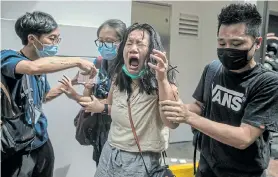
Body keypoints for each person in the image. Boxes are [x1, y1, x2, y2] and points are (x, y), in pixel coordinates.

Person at [160, 3, 278, 177]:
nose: (227, 49)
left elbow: (244, 138)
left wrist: (188, 117)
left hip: (244, 173)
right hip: (207, 167)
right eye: (222, 42)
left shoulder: (267, 82)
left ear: (257, 43)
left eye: (237, 43)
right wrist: (179, 108)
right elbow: (201, 106)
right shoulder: (213, 69)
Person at [60, 23, 179, 177]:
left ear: (151, 51)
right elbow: (110, 106)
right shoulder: (113, 74)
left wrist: (162, 80)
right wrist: (81, 96)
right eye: (129, 43)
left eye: (140, 43)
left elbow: (172, 123)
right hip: (110, 150)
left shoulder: (162, 82)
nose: (133, 48)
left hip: (140, 158)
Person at [1, 11, 96, 177]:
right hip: (18, 146)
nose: (56, 43)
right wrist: (78, 60)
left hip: (41, 140)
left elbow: (45, 96)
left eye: (58, 39)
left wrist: (71, 84)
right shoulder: (8, 58)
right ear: (32, 39)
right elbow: (32, 68)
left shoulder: (40, 66)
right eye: (52, 39)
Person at [67, 19, 127, 166]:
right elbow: (85, 93)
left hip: (122, 133)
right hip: (100, 130)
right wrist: (76, 86)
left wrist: (78, 97)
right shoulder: (98, 62)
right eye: (100, 41)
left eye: (109, 41)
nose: (103, 45)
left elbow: (122, 104)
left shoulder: (128, 69)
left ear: (123, 42)